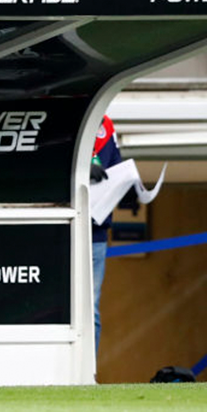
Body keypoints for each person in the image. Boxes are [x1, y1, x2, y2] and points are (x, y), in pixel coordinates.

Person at [89, 115, 123, 353]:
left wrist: (128, 188)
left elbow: (117, 169)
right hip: (63, 227)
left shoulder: (107, 126)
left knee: (91, 309)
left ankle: (88, 371)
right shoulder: (63, 117)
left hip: (96, 231)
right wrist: (82, 171)